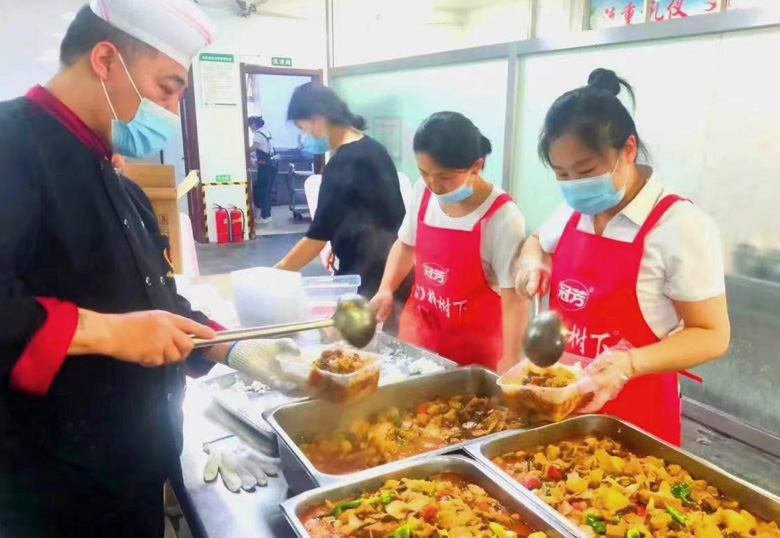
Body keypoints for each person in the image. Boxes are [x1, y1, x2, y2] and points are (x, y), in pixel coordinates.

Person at [0, 2, 293, 538]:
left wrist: (230, 348)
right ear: (105, 59)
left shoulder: (119, 181)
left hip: (133, 464)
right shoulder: (11, 144)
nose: (172, 110)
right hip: (55, 485)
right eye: (167, 88)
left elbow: (155, 299)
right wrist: (107, 333)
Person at [515, 68, 730, 445]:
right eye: (562, 174)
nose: (575, 185)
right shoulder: (573, 211)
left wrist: (629, 363)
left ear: (628, 149)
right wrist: (531, 262)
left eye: (586, 170)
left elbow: (712, 334)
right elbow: (536, 240)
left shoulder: (680, 226)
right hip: (562, 408)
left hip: (636, 420)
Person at [372, 112, 527, 373]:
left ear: (476, 166)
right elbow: (406, 244)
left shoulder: (503, 218)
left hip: (471, 355)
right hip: (418, 340)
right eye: (424, 172)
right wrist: (386, 288)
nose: (433, 185)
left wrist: (512, 357)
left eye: (444, 177)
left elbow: (514, 298)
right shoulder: (423, 192)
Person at [276, 83, 406, 300]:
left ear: (318, 118)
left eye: (302, 127)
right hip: (393, 271)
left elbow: (316, 237)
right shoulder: (373, 149)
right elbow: (373, 213)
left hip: (367, 279)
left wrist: (277, 273)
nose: (302, 135)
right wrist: (338, 242)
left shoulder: (344, 163)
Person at [249, 115, 278, 224]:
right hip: (273, 165)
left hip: (265, 167)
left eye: (250, 125)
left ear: (254, 124)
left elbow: (253, 148)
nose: (250, 128)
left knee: (263, 191)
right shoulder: (266, 132)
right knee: (268, 191)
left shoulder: (258, 134)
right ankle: (267, 215)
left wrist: (242, 149)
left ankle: (265, 217)